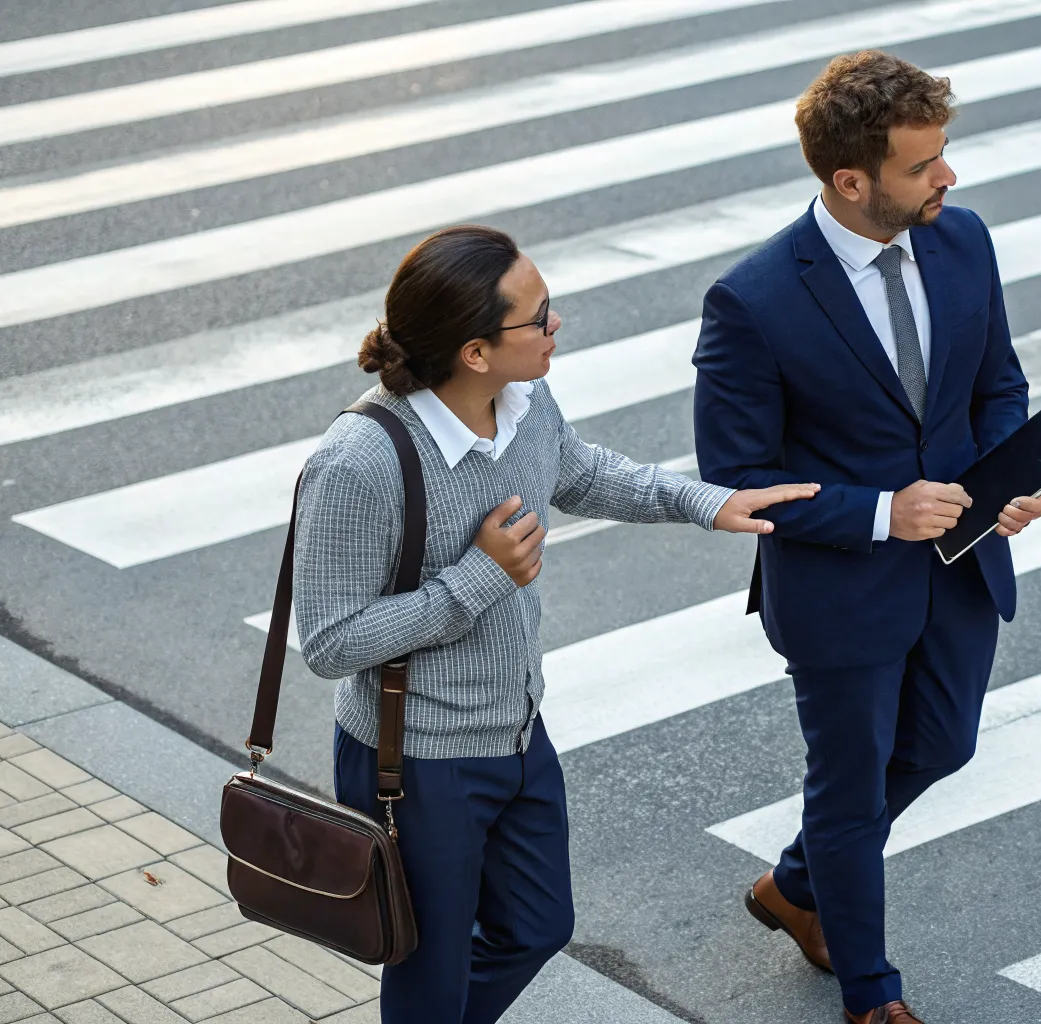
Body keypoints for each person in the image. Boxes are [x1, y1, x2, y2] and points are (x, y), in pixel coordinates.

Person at [292, 225, 817, 1024]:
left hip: (515, 731)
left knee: (538, 925)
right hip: (417, 761)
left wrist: (707, 503)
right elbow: (330, 644)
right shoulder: (360, 461)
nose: (556, 326)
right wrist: (479, 577)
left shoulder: (525, 401)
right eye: (538, 317)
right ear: (474, 351)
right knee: (428, 970)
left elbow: (578, 470)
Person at [692, 51, 1041, 1023]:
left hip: (961, 563)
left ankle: (796, 884)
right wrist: (880, 511)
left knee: (941, 742)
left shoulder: (961, 240)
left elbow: (996, 384)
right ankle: (868, 990)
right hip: (842, 591)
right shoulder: (753, 300)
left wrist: (997, 479)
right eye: (922, 164)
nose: (947, 177)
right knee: (848, 791)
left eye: (944, 155)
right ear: (850, 181)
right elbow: (735, 478)